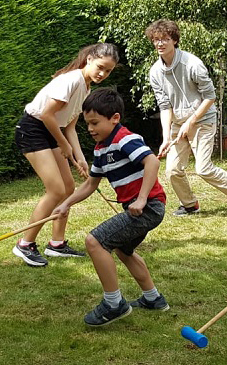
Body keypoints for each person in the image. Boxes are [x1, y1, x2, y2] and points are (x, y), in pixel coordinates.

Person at [53, 88, 169, 326]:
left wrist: (142, 199)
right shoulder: (101, 149)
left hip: (148, 206)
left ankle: (114, 304)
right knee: (123, 250)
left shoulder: (124, 139)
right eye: (87, 123)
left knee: (95, 241)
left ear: (115, 118)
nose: (90, 128)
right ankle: (153, 298)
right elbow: (90, 184)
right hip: (139, 208)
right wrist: (65, 204)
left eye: (95, 122)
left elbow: (152, 162)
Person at [12, 42, 119, 267]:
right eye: (100, 67)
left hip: (51, 130)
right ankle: (25, 244)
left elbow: (70, 127)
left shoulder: (86, 88)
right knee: (56, 190)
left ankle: (56, 244)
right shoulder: (71, 80)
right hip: (33, 129)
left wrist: (80, 157)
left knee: (69, 188)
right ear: (89, 60)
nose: (102, 74)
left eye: (108, 71)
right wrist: (63, 144)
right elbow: (46, 114)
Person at [145, 19, 227, 217]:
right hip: (178, 123)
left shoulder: (192, 64)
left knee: (203, 168)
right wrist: (166, 137)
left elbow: (210, 96)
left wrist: (191, 121)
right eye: (156, 40)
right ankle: (190, 204)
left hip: (203, 119)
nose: (160, 43)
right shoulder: (155, 72)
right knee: (172, 170)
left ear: (174, 40)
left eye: (165, 39)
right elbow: (165, 106)